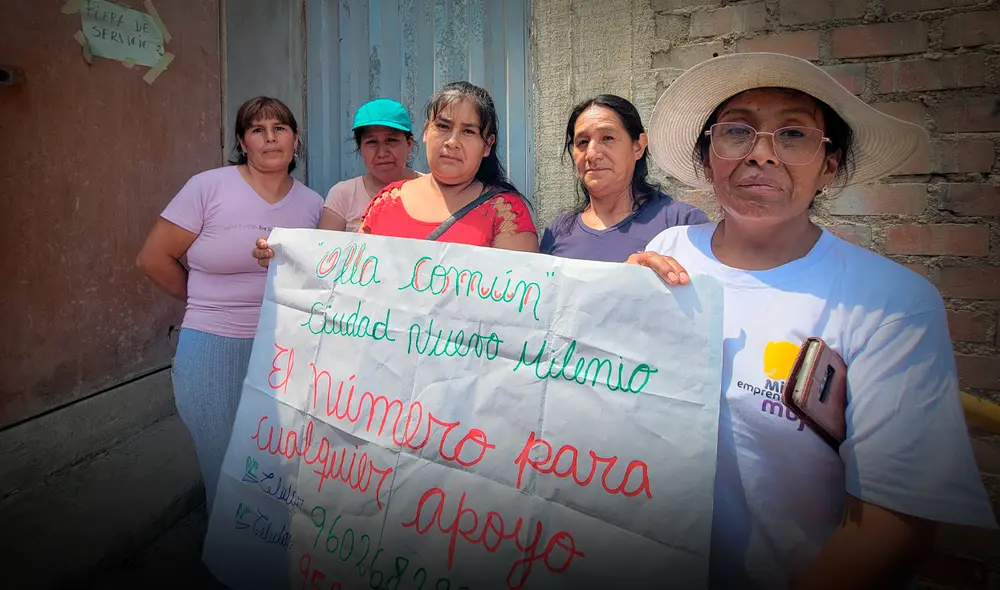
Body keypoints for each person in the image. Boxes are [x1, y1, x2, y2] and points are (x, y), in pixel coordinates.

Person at [629, 52, 997, 589]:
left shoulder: (890, 303)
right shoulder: (667, 251)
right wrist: (614, 305)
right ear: (708, 157)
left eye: (794, 135)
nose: (761, 155)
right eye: (737, 132)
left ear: (828, 165)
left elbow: (894, 525)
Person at [136, 96, 323, 516]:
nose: (270, 138)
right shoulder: (208, 186)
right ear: (242, 142)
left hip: (284, 351)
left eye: (280, 128)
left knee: (278, 464)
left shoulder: (313, 204)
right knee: (223, 463)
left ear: (296, 140)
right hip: (213, 346)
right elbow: (152, 258)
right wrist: (203, 302)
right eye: (258, 129)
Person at [252, 81, 536, 268]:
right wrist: (285, 259)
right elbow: (346, 272)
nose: (452, 141)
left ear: (487, 145)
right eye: (442, 127)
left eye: (469, 132)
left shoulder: (506, 212)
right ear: (425, 132)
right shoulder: (387, 200)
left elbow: (514, 311)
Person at [540, 94, 709, 262]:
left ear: (638, 146)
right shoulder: (558, 231)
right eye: (582, 142)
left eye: (607, 138)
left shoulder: (682, 224)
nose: (591, 154)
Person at [322, 98, 422, 232]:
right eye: (371, 142)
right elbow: (327, 250)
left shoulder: (433, 191)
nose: (382, 153)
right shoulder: (343, 195)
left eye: (391, 140)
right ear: (360, 147)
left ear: (409, 143)